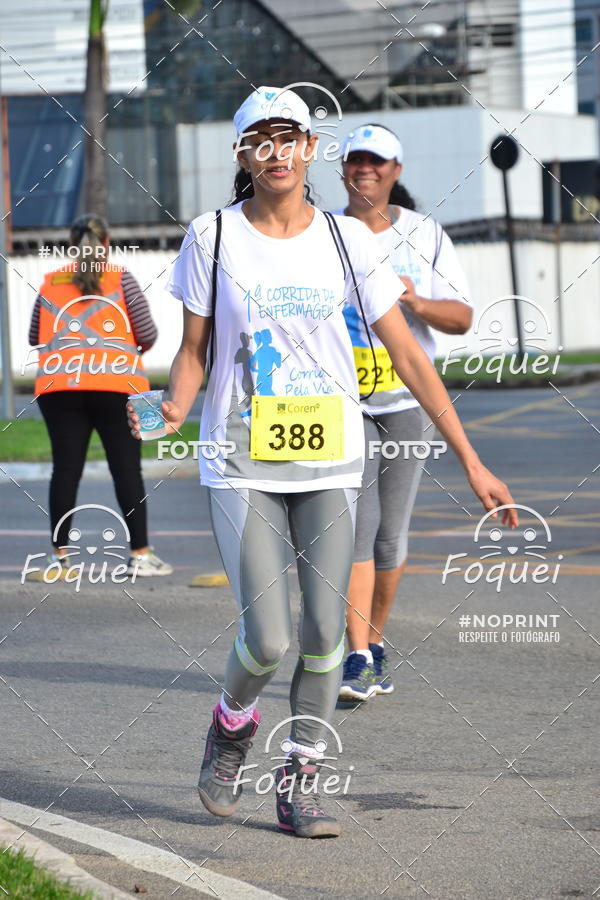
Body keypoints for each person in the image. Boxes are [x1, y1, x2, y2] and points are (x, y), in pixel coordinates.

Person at [128, 87, 516, 838]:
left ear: (312, 150)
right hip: (241, 459)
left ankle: (301, 778)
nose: (277, 151)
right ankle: (233, 723)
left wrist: (470, 459)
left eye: (292, 137)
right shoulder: (213, 236)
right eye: (261, 139)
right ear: (243, 154)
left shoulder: (347, 241)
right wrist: (172, 408)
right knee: (269, 637)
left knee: (327, 635)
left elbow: (407, 352)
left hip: (334, 459)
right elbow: (193, 352)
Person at [334, 123, 474, 702]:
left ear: (396, 170)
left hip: (404, 407)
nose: (366, 169)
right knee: (355, 535)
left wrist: (412, 299)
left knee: (390, 539)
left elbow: (462, 317)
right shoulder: (324, 232)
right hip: (341, 407)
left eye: (377, 161)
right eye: (356, 161)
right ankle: (356, 656)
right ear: (343, 170)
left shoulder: (425, 234)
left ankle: (375, 641)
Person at [29, 213, 172, 576]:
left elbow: (35, 336)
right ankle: (140, 555)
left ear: (71, 245)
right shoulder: (121, 278)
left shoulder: (50, 283)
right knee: (126, 470)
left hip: (60, 388)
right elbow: (147, 333)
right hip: (117, 387)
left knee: (65, 470)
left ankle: (59, 558)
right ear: (106, 243)